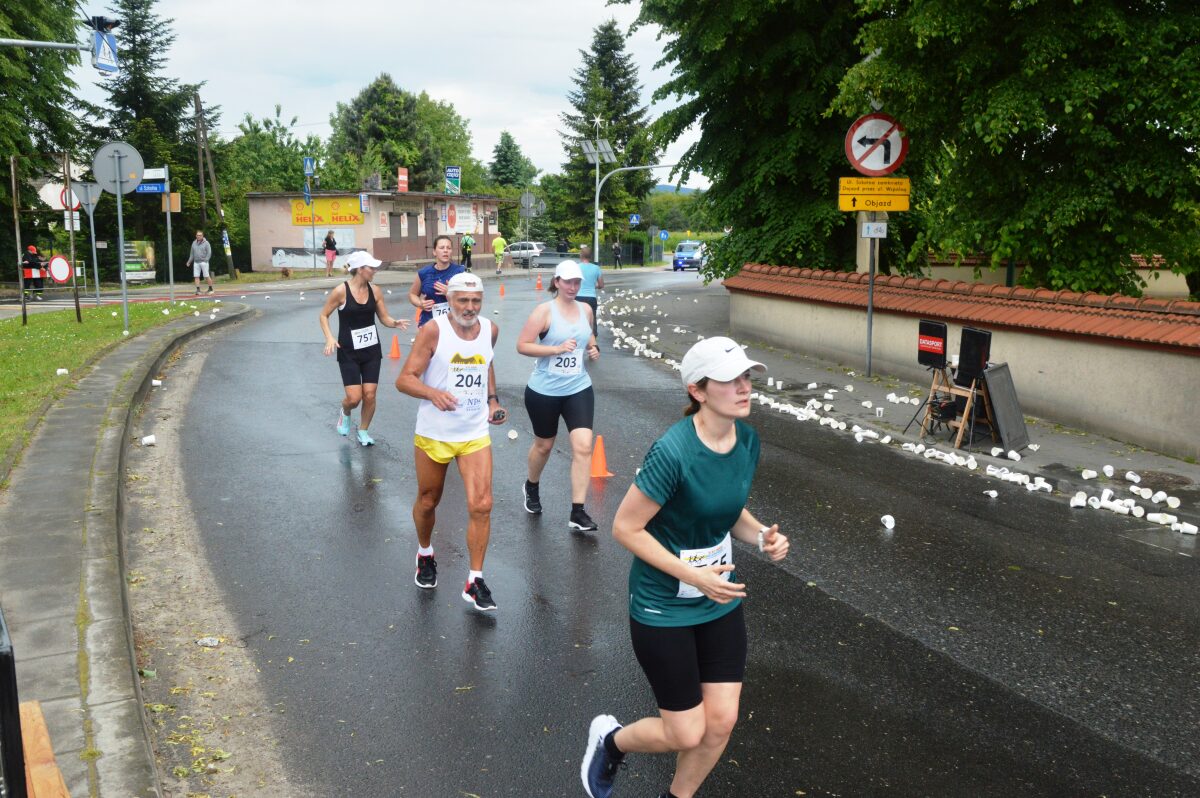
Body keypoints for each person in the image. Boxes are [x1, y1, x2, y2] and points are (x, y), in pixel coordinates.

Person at [580, 336, 790, 798]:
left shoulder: (747, 440)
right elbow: (625, 528)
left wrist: (761, 536)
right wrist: (693, 575)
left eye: (747, 376)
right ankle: (610, 741)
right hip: (663, 605)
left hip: (717, 598)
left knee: (722, 721)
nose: (744, 387)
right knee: (685, 732)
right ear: (698, 390)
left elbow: (724, 507)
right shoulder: (673, 452)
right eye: (730, 380)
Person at [396, 272, 508, 611]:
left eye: (476, 301)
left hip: (474, 432)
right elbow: (404, 379)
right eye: (463, 300)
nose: (470, 307)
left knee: (482, 504)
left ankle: (475, 580)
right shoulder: (433, 331)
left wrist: (492, 400)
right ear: (450, 300)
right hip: (435, 432)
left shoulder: (490, 329)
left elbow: (487, 363)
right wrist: (433, 393)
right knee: (428, 500)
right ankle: (425, 553)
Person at [517, 260, 602, 532]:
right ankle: (531, 486)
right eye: (567, 282)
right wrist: (555, 350)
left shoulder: (586, 309)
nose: (573, 287)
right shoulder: (544, 312)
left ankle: (578, 512)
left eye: (577, 282)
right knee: (544, 446)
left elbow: (587, 336)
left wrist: (593, 348)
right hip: (544, 391)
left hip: (578, 387)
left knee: (583, 447)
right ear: (557, 282)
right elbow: (522, 345)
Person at [318, 251, 410, 446]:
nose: (375, 271)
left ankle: (363, 430)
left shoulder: (375, 291)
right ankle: (345, 411)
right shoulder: (341, 291)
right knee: (354, 398)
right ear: (360, 269)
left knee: (370, 394)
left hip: (371, 350)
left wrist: (394, 323)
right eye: (371, 267)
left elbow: (383, 317)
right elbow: (323, 315)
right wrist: (329, 337)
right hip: (348, 351)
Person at [409, 235, 466, 327]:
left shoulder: (460, 272)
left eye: (449, 248)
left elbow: (469, 298)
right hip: (428, 324)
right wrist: (420, 303)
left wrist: (451, 293)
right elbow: (412, 294)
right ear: (434, 252)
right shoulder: (424, 273)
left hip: (454, 325)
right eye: (442, 248)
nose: (445, 250)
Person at [576, 245, 604, 336]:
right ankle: (593, 337)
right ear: (591, 256)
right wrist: (593, 285)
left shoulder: (576, 267)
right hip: (591, 298)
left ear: (581, 255)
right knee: (592, 318)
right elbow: (601, 285)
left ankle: (578, 336)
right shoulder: (596, 268)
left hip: (577, 297)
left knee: (577, 318)